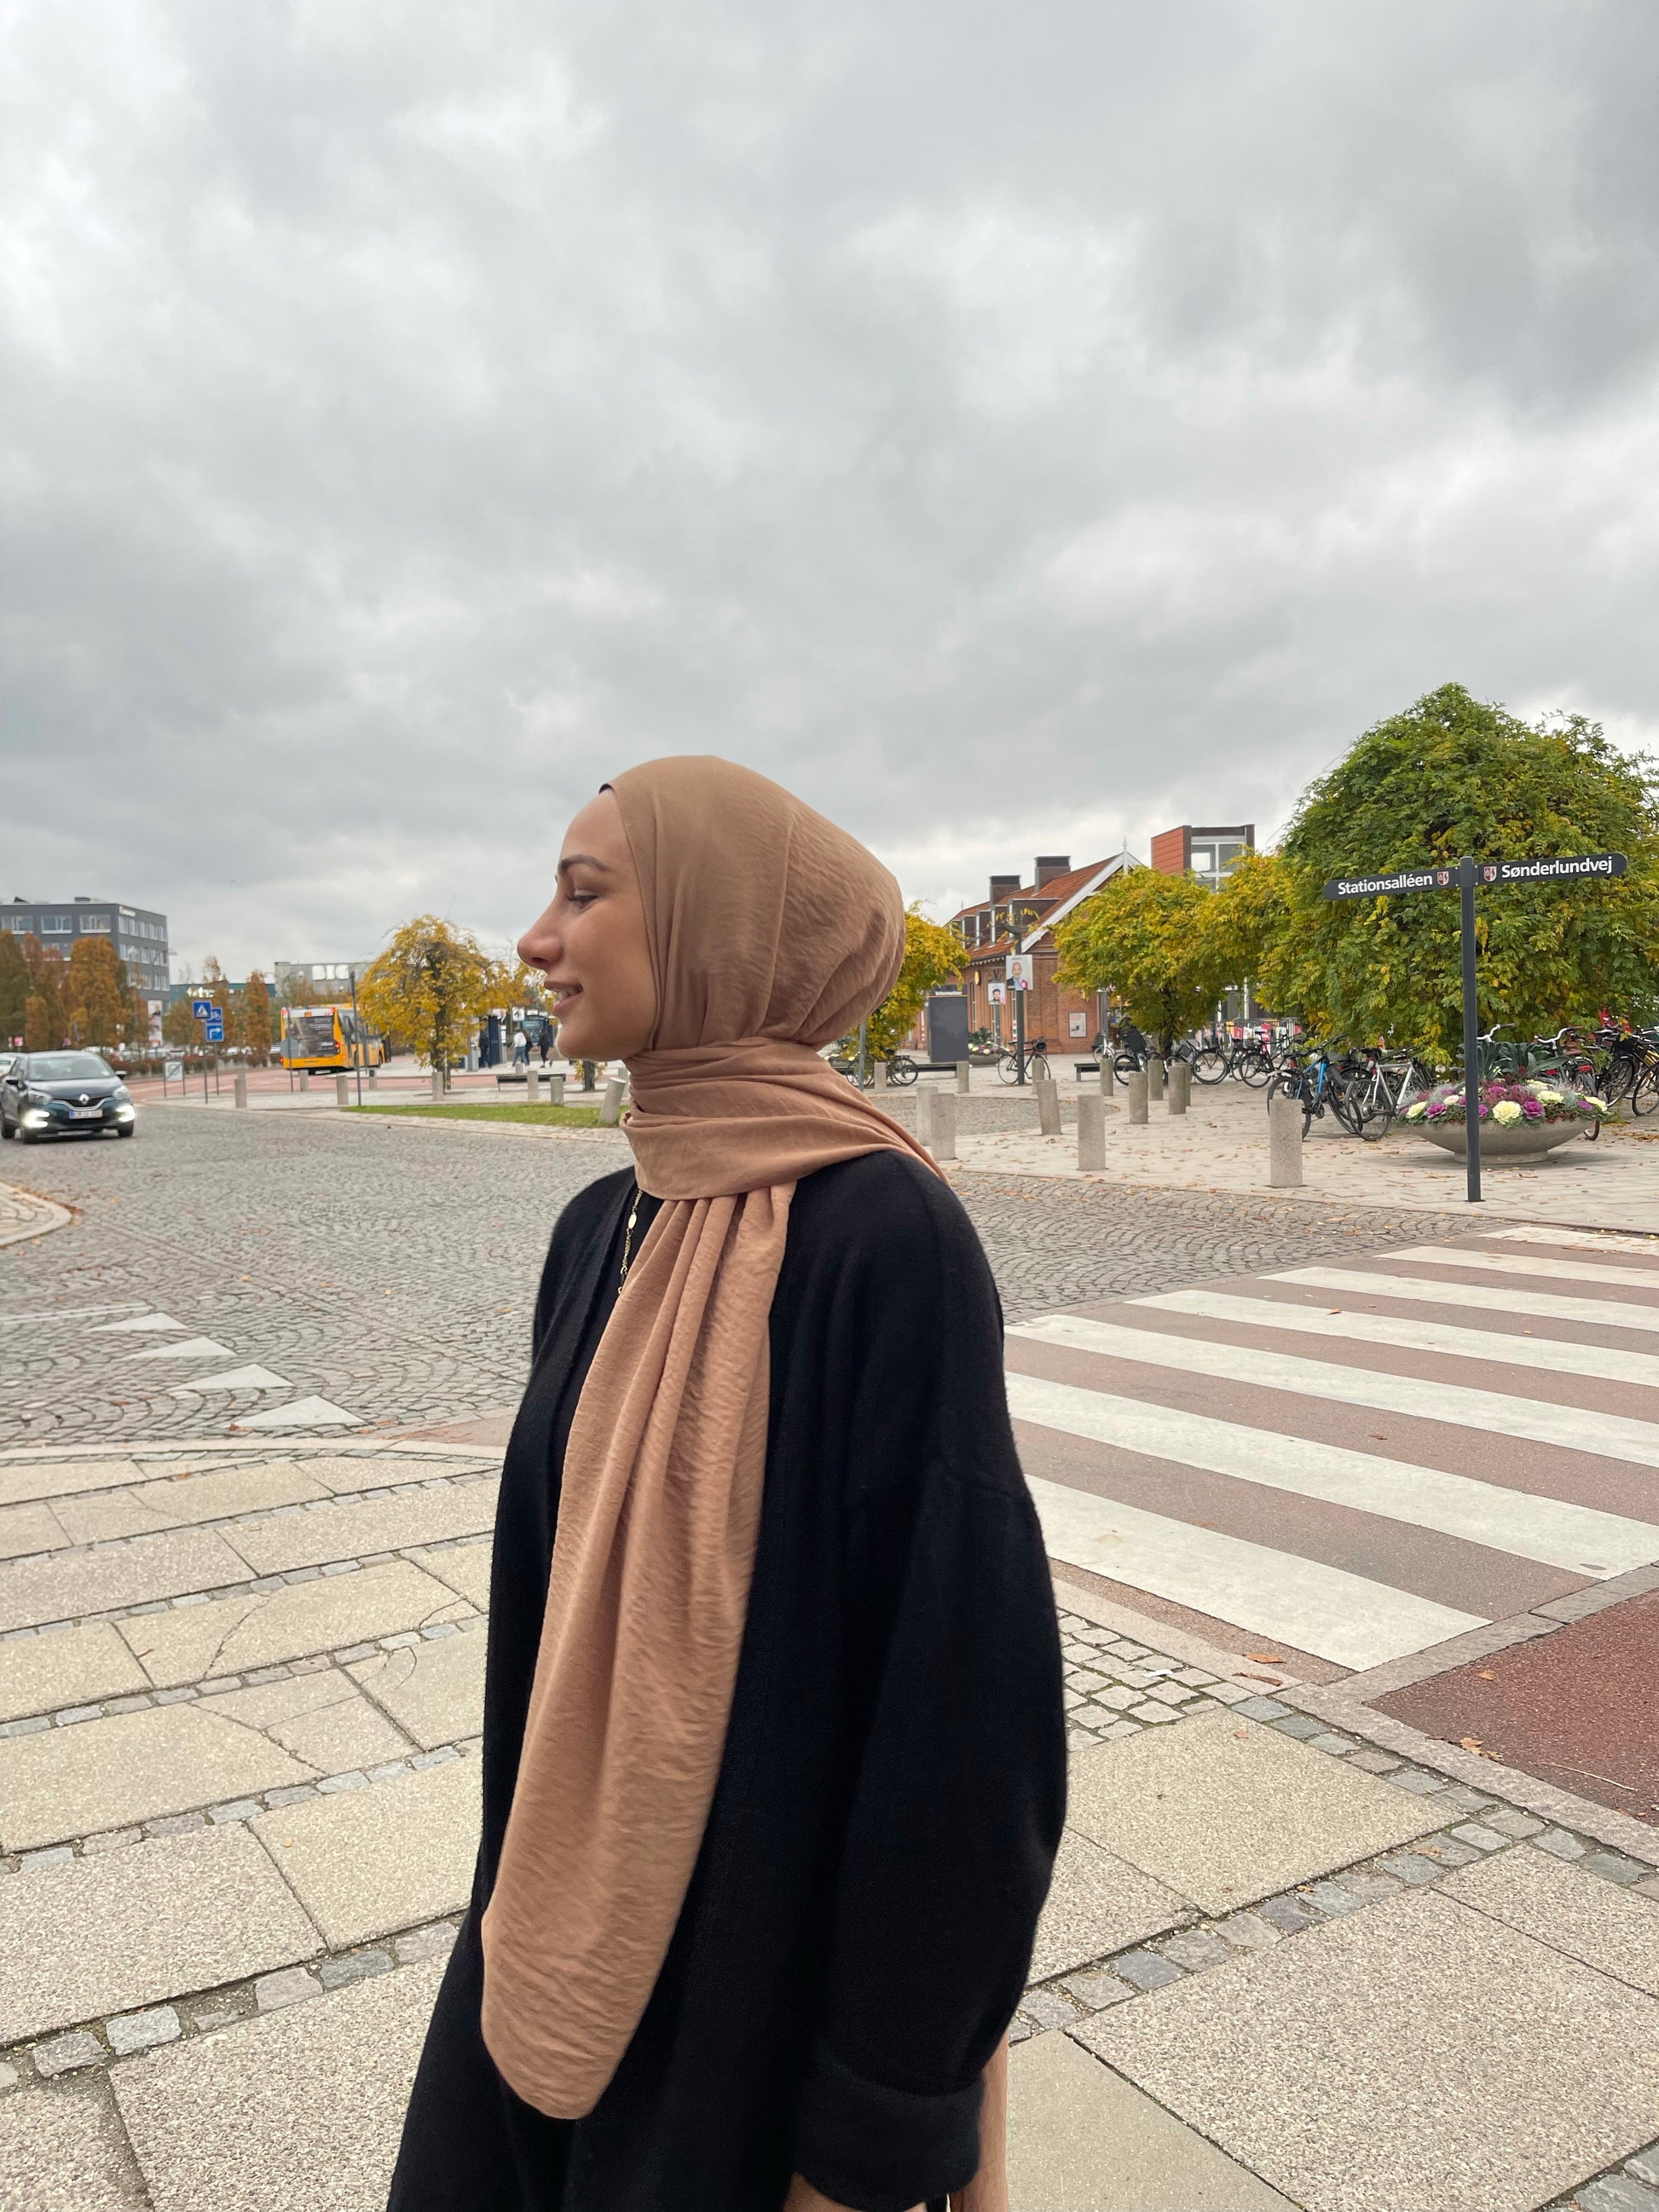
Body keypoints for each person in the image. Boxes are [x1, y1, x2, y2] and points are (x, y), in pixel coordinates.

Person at [389, 758, 1065, 2212]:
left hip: (752, 2012)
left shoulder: (882, 1235)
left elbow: (959, 1718)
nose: (536, 939)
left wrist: (875, 2131)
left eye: (583, 895)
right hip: (545, 1936)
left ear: (716, 932)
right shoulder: (599, 1226)